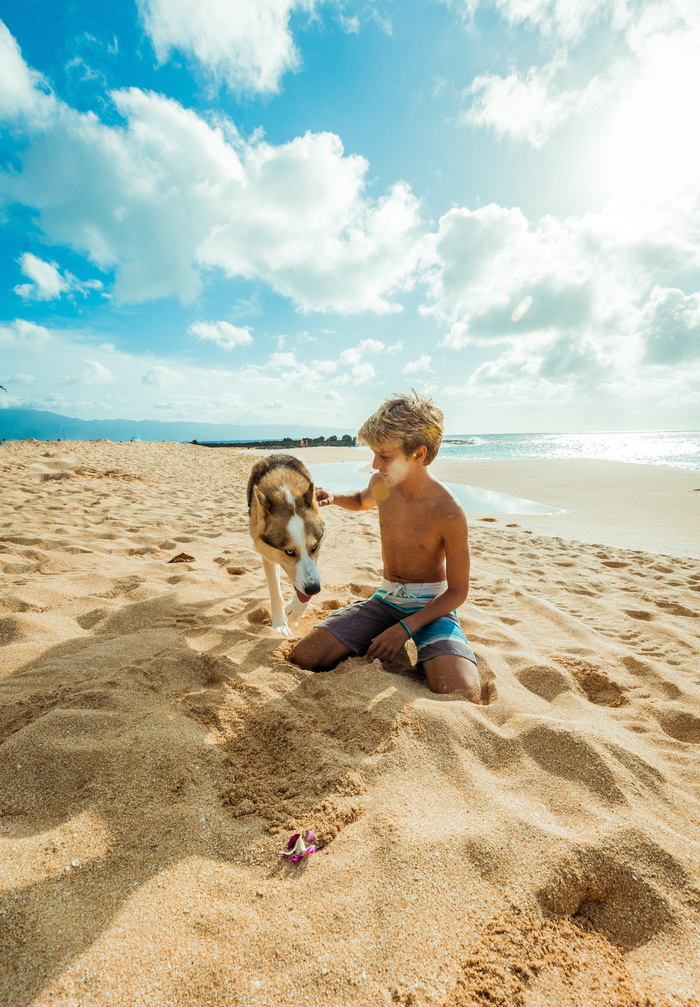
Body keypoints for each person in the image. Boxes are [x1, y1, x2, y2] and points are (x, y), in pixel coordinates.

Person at [289, 391, 489, 704]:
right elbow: (361, 500)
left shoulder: (448, 512)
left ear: (418, 455)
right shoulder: (382, 485)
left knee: (462, 693)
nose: (374, 463)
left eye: (384, 456)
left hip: (432, 608)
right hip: (387, 599)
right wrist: (334, 496)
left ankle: (433, 651)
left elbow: (457, 593)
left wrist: (403, 630)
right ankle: (380, 632)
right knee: (305, 656)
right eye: (374, 454)